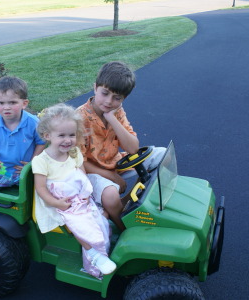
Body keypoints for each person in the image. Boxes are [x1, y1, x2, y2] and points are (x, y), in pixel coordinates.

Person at [76, 61, 165, 231]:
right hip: (92, 171)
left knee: (161, 155)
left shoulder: (116, 112)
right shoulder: (79, 118)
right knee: (110, 195)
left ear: (124, 98)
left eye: (117, 98)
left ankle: (132, 202)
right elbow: (78, 161)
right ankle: (125, 229)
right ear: (95, 88)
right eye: (105, 93)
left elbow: (133, 148)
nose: (109, 101)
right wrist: (112, 177)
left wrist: (111, 118)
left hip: (116, 162)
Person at [32, 103, 116, 278]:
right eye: (61, 135)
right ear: (47, 136)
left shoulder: (74, 152)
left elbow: (81, 175)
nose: (67, 140)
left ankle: (101, 244)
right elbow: (40, 189)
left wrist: (86, 194)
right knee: (78, 224)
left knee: (98, 218)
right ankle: (94, 255)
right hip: (58, 201)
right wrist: (57, 203)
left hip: (78, 196)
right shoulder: (41, 160)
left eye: (71, 135)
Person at [0, 76, 45, 191]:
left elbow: (41, 143)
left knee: (40, 190)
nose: (6, 107)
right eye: (1, 103)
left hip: (24, 169)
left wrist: (32, 163)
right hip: (2, 169)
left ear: (24, 103)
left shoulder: (33, 123)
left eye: (12, 102)